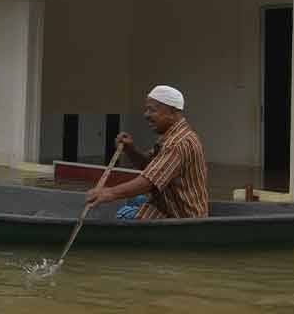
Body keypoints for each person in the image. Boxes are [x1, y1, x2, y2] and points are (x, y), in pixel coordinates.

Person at [86, 85, 209, 219]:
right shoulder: (171, 136)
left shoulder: (178, 143)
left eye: (152, 110)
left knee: (124, 215)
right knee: (135, 200)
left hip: (181, 216)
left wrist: (109, 193)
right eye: (147, 110)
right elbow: (149, 165)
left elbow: (149, 182)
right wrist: (131, 150)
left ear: (172, 112)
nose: (146, 115)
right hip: (167, 204)